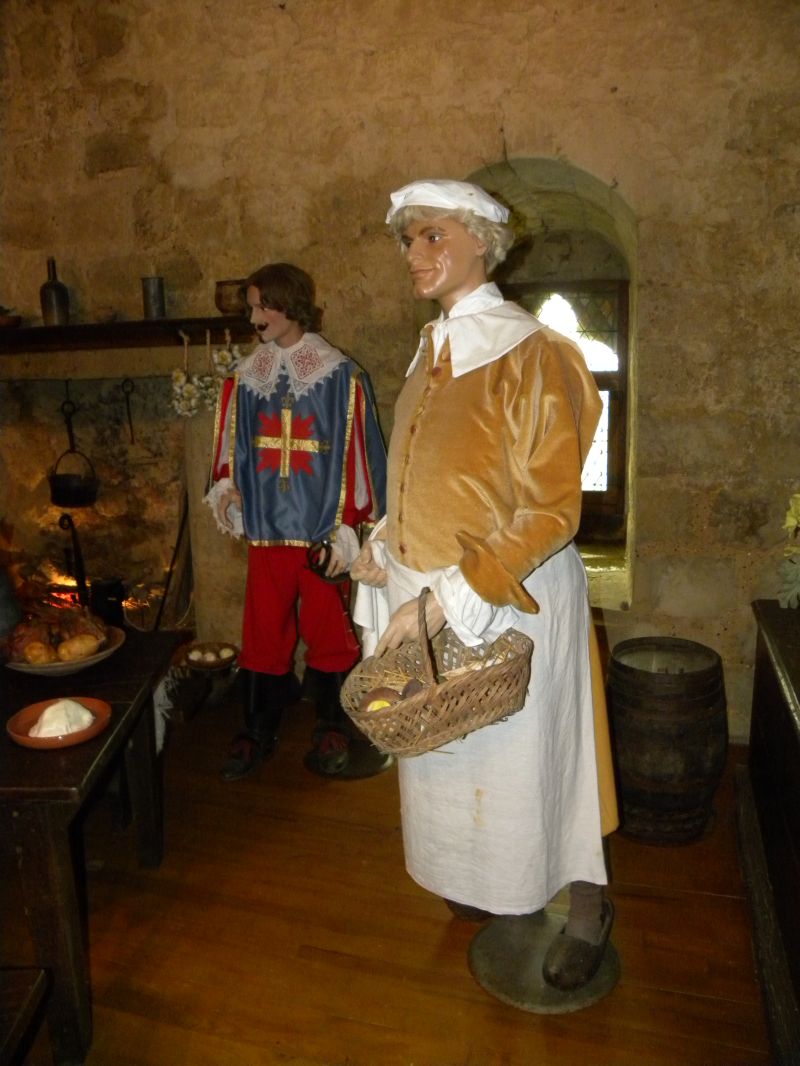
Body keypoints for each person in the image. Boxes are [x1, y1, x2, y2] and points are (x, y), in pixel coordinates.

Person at [351, 180, 619, 991]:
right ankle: (486, 877)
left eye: (432, 235)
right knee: (457, 755)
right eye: (407, 239)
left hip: (511, 595)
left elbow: (551, 510)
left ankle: (587, 907)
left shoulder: (534, 353)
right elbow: (428, 477)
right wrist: (383, 540)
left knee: (544, 760)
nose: (414, 253)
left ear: (481, 241)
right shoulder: (430, 350)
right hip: (426, 597)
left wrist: (446, 598)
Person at [206, 262, 387, 781]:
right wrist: (227, 485)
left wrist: (348, 525)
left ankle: (332, 723)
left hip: (320, 533)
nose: (254, 318)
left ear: (289, 305)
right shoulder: (246, 377)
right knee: (263, 630)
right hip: (266, 528)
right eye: (251, 308)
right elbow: (231, 445)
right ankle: (257, 727)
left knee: (329, 629)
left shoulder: (340, 376)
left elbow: (358, 453)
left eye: (263, 306)